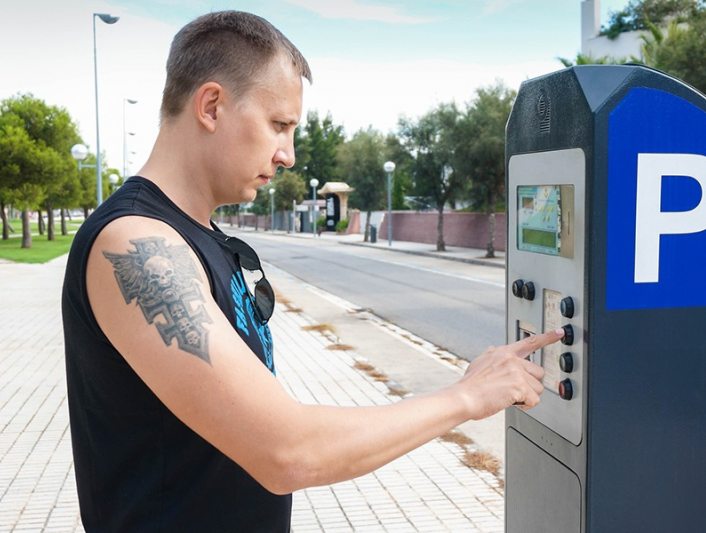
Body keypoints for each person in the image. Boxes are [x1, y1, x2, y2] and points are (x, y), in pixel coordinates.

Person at [61, 10, 563, 532]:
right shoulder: (136, 245)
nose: (289, 155)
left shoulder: (194, 236)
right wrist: (465, 396)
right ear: (211, 105)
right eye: (279, 125)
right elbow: (287, 450)